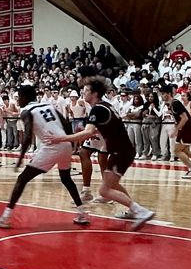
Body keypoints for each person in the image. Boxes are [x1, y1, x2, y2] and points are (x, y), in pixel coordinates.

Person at [47, 76, 155, 229]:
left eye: (86, 90)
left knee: (104, 190)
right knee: (113, 184)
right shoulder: (105, 106)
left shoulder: (97, 109)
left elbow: (88, 132)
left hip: (120, 151)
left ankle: (141, 211)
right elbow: (106, 127)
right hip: (123, 150)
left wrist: (61, 138)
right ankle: (134, 210)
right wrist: (92, 131)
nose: (83, 93)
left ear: (95, 93)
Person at [0, 85, 89, 228]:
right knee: (66, 178)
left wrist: (20, 159)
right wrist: (70, 142)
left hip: (52, 146)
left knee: (22, 179)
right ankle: (82, 213)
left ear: (25, 98)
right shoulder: (48, 106)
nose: (18, 101)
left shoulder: (26, 111)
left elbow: (27, 136)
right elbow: (66, 124)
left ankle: (5, 218)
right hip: (65, 143)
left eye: (19, 98)